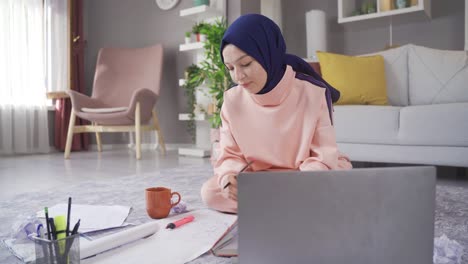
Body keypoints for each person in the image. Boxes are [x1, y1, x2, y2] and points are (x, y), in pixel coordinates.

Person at [201, 14, 352, 214]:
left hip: (305, 178)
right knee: (211, 192)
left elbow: (322, 156)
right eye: (230, 68)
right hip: (259, 179)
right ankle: (285, 206)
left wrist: (295, 187)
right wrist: (229, 177)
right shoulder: (232, 100)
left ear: (268, 54)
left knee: (334, 186)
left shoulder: (312, 92)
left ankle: (272, 205)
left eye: (245, 64)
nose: (238, 77)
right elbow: (229, 154)